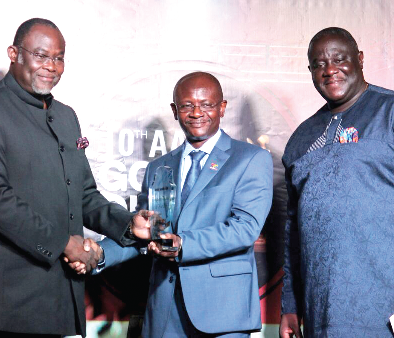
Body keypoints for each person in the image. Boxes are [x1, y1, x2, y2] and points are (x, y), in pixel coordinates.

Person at [0, 18, 151, 337]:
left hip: (45, 305)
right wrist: (65, 244)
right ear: (14, 53)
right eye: (41, 55)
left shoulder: (66, 117)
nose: (51, 66)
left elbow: (84, 195)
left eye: (58, 58)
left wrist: (128, 225)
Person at [279, 27, 394, 337]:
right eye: (319, 64)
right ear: (310, 71)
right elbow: (293, 233)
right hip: (319, 309)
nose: (330, 70)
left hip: (390, 301)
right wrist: (290, 305)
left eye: (340, 59)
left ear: (360, 59)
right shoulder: (301, 138)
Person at [95, 72, 273, 337]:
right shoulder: (159, 167)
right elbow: (146, 232)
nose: (197, 112)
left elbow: (245, 228)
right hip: (166, 312)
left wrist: (183, 244)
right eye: (187, 105)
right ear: (175, 110)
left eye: (207, 104)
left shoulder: (250, 159)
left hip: (222, 312)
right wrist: (98, 255)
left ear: (222, 108)